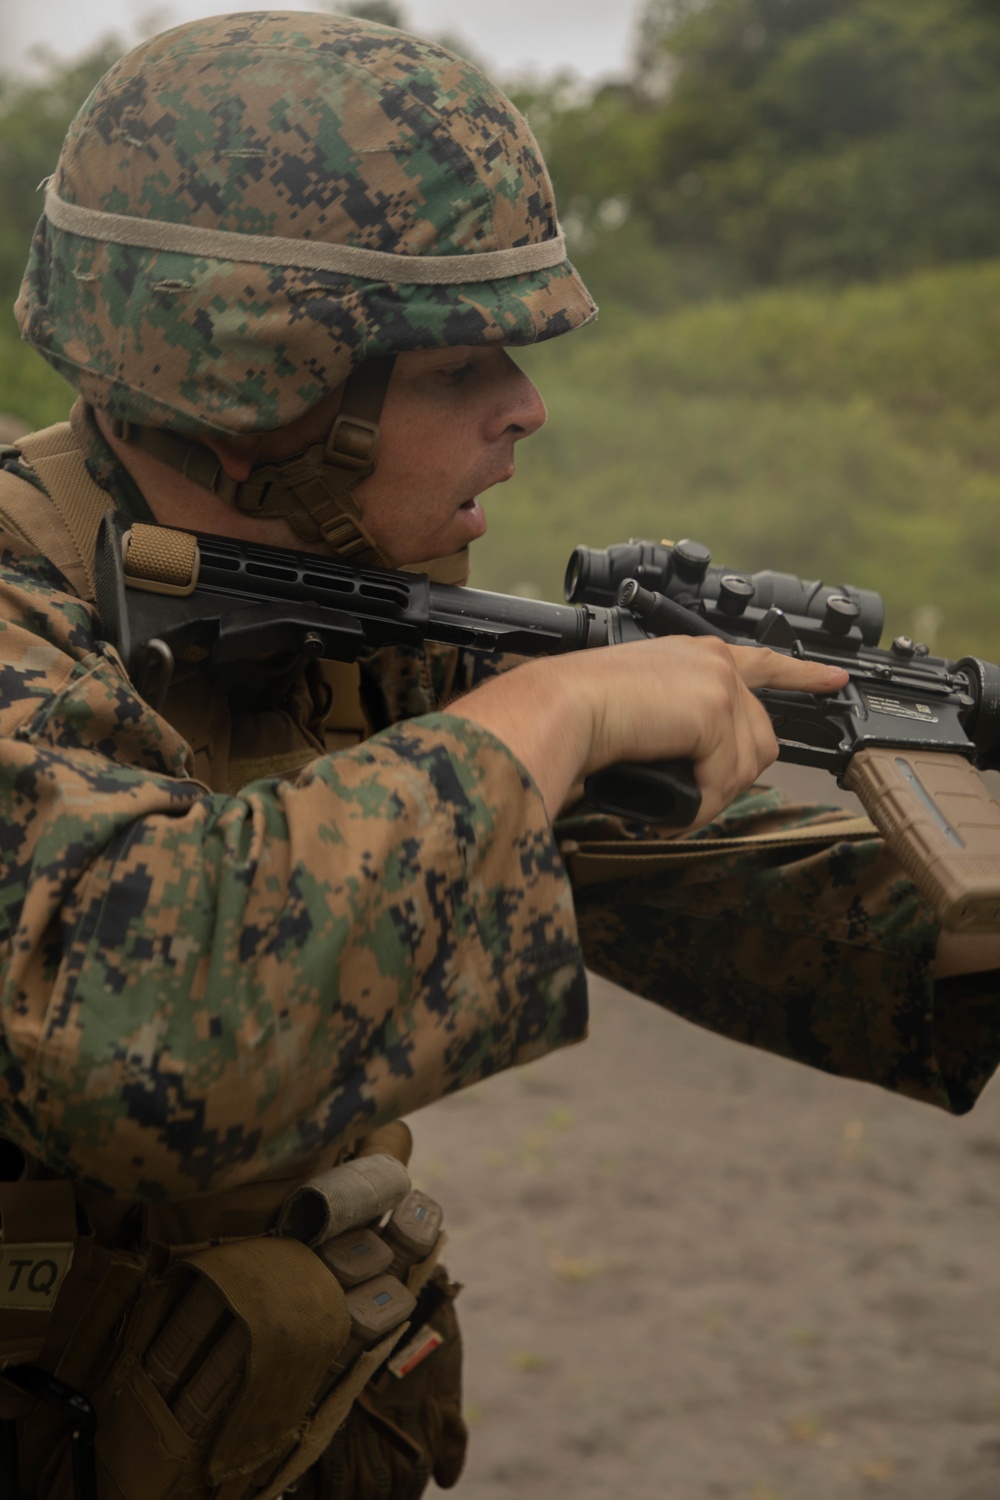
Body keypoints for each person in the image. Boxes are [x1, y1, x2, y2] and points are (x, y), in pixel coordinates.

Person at [0, 11, 997, 1499]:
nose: (525, 412)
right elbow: (137, 1024)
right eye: (461, 365)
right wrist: (552, 716)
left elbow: (716, 889)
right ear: (267, 374)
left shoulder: (340, 631)